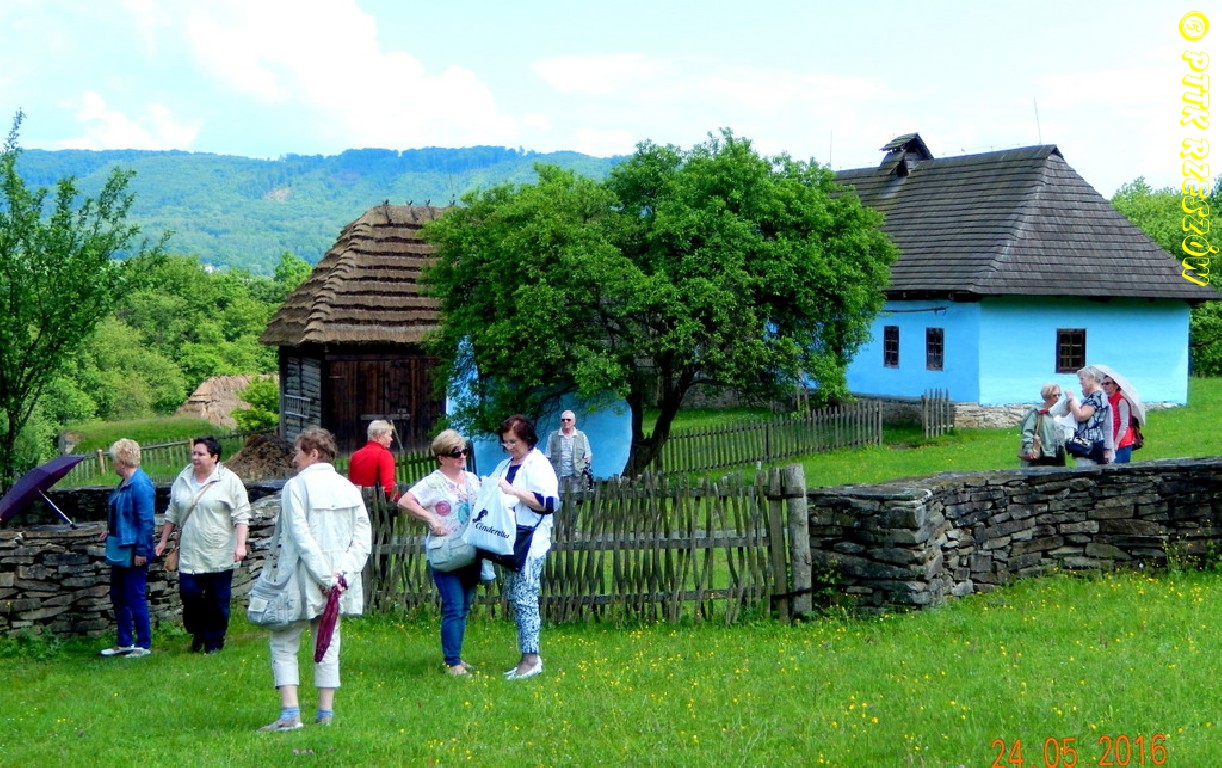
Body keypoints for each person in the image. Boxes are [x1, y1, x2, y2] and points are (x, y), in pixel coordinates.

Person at [258, 427, 372, 732]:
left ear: (314, 453)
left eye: (297, 452)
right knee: (329, 641)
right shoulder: (348, 488)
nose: (294, 459)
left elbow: (300, 535)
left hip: (302, 577)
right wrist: (342, 576)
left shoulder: (296, 487)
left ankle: (290, 715)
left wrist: (327, 577)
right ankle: (325, 714)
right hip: (337, 581)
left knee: (284, 641)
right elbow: (363, 538)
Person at [155, 436, 251, 654]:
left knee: (218, 599)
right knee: (189, 595)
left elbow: (241, 515)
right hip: (190, 551)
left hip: (219, 551)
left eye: (200, 454)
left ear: (214, 457)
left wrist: (240, 545)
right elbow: (172, 513)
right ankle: (198, 632)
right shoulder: (183, 478)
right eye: (194, 453)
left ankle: (214, 641)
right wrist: (163, 541)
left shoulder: (229, 481)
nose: (195, 457)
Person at [397, 429, 481, 676]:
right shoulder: (433, 483)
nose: (462, 456)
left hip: (471, 551)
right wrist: (431, 519)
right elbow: (405, 501)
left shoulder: (472, 479)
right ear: (442, 457)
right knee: (454, 606)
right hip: (446, 553)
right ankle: (452, 663)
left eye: (464, 451)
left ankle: (457, 657)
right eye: (456, 453)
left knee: (464, 607)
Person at [492, 414, 559, 680]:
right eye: (505, 442)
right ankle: (525, 656)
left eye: (513, 442)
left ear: (527, 439)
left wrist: (515, 492)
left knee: (526, 599)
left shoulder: (539, 465)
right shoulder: (504, 465)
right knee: (516, 599)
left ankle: (531, 659)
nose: (509, 447)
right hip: (508, 540)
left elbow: (549, 503)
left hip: (530, 542)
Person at [98, 439, 156, 657]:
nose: (112, 463)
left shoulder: (140, 484)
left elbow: (146, 521)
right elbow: (122, 515)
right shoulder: (124, 483)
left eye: (114, 459)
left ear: (122, 461)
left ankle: (143, 644)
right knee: (118, 595)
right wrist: (111, 531)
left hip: (134, 550)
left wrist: (141, 551)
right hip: (121, 548)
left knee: (135, 595)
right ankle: (124, 642)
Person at [1095, 364, 1146, 465]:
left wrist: (1116, 442)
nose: (1104, 386)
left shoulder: (1121, 401)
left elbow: (1124, 424)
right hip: (1111, 440)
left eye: (1107, 383)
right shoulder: (1106, 401)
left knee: (1120, 468)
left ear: (1116, 385)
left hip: (1122, 442)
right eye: (1103, 384)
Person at [1065, 365, 1115, 467]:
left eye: (1082, 379)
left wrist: (1071, 398)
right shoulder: (1095, 396)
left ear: (1091, 378)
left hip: (1090, 445)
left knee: (1086, 472)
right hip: (1088, 445)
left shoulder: (1096, 397)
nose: (1080, 382)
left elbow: (1081, 415)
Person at [347, 419, 399, 500]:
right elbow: (388, 488)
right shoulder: (384, 455)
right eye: (389, 435)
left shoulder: (355, 455)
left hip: (356, 501)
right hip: (377, 503)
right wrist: (398, 500)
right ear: (379, 436)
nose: (391, 439)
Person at [1018, 383, 1067, 467]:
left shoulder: (1061, 412)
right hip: (1041, 452)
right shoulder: (1037, 412)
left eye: (1059, 395)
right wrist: (1029, 449)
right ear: (1046, 396)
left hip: (1058, 453)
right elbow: (1027, 432)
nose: (1057, 398)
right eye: (1054, 395)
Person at [545, 410, 593, 486]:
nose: (565, 421)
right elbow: (548, 457)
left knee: (577, 494)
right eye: (563, 420)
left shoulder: (582, 436)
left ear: (574, 421)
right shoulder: (552, 436)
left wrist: (585, 471)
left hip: (577, 478)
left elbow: (587, 457)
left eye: (568, 419)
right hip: (557, 478)